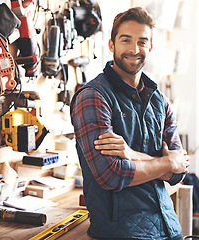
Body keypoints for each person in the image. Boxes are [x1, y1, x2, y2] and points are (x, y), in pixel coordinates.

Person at [70, 7, 190, 240]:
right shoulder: (93, 97)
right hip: (121, 233)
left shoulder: (159, 100)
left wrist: (131, 154)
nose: (134, 49)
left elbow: (179, 173)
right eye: (126, 40)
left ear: (150, 47)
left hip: (169, 227)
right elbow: (111, 175)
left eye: (142, 42)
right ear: (112, 44)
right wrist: (167, 163)